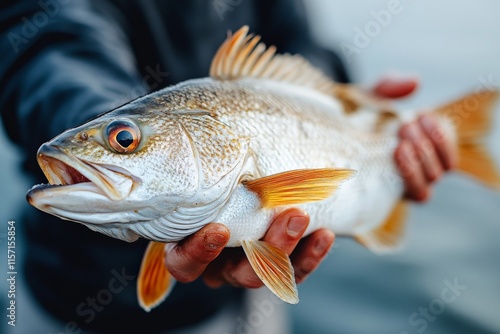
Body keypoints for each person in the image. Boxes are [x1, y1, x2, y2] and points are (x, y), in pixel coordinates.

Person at [0, 0, 455, 333]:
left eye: (123, 142)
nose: (122, 145)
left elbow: (300, 45)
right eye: (126, 141)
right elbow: (48, 44)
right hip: (73, 299)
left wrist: (353, 100)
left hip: (252, 305)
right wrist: (95, 118)